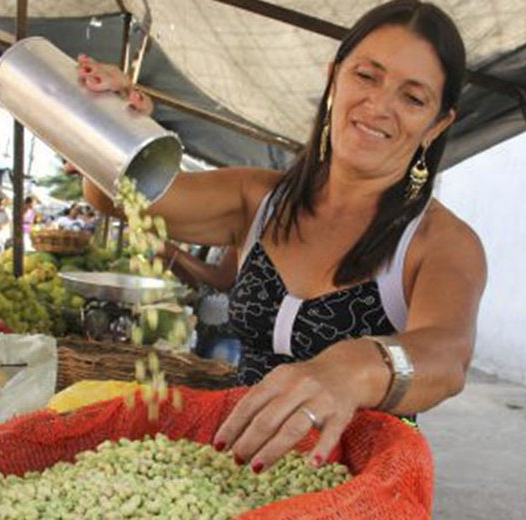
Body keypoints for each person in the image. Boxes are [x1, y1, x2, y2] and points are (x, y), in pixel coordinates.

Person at [83, 0, 486, 472]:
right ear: (335, 77)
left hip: (358, 489)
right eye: (366, 76)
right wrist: (109, 122)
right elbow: (119, 196)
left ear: (436, 125)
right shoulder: (258, 199)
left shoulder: (440, 241)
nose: (379, 106)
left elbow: (448, 355)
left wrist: (358, 366)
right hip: (232, 472)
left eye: (413, 98)